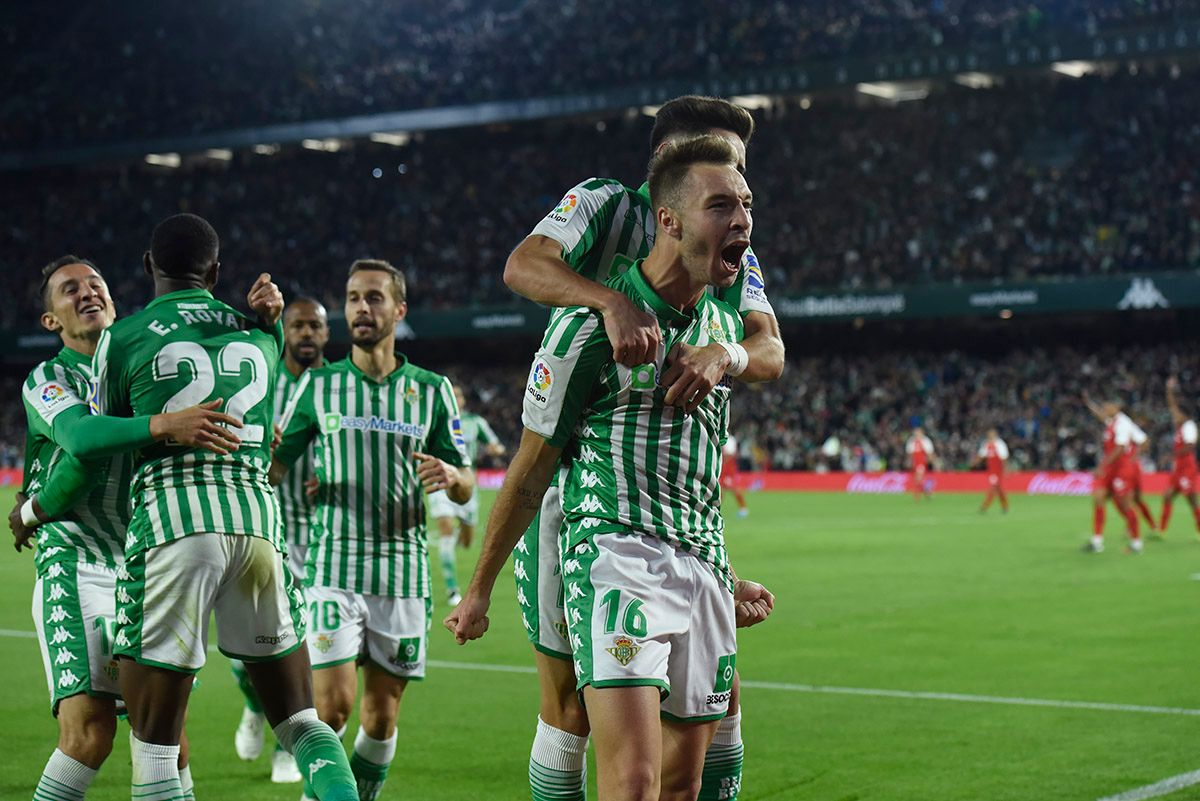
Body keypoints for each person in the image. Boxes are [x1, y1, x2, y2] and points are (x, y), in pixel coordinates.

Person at [449, 135, 774, 801]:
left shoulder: (719, 325)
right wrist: (478, 588)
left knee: (683, 786)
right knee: (629, 780)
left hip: (701, 563)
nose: (743, 220)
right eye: (722, 204)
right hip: (615, 558)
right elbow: (530, 469)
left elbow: (762, 363)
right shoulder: (588, 324)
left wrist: (723, 573)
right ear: (668, 218)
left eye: (746, 203)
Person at [90, 213, 359, 801]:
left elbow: (103, 439)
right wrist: (268, 322)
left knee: (155, 747)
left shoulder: (123, 336)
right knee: (302, 723)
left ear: (148, 265)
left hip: (173, 526)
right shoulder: (259, 337)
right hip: (258, 526)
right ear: (215, 272)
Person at [10, 256, 248, 801]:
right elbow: (82, 442)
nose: (87, 292)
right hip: (78, 560)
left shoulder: (145, 361)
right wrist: (164, 424)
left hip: (147, 563)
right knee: (89, 734)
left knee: (167, 740)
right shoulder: (49, 379)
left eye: (95, 283)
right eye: (70, 290)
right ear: (51, 321)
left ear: (114, 300)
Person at [271, 259, 474, 801]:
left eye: (375, 297)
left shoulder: (431, 390)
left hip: (402, 574)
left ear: (399, 310)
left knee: (381, 718)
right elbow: (275, 467)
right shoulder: (317, 386)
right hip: (332, 566)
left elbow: (464, 484)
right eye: (354, 298)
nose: (362, 307)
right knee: (331, 707)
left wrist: (452, 476)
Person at [232, 297, 330, 784]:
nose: (306, 333)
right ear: (285, 330)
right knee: (246, 653)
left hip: (324, 540)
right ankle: (254, 704)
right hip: (263, 530)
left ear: (326, 334)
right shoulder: (260, 378)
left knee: (300, 649)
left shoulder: (339, 386)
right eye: (298, 325)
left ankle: (286, 747)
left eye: (315, 325)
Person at [430, 384, 506, 607]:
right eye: (450, 396)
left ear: (463, 400)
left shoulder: (475, 422)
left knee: (466, 541)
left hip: (467, 482)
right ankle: (452, 590)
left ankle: (457, 536)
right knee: (445, 530)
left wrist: (495, 449)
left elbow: (496, 445)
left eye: (458, 396)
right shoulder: (433, 421)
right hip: (441, 481)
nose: (455, 399)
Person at [1082, 393, 1143, 553]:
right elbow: (1101, 415)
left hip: (1122, 468)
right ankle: (1097, 542)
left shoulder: (1123, 423)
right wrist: (1089, 403)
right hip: (1111, 468)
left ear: (1116, 407)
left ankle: (1136, 542)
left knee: (1126, 504)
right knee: (1098, 498)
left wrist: (1102, 466)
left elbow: (1120, 448)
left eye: (1107, 405)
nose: (1105, 408)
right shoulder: (1112, 420)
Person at [1159, 376, 1200, 534]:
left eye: (1178, 414)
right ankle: (1161, 530)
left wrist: (1171, 455)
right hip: (1179, 468)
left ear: (1185, 415)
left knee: (1192, 500)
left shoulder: (1189, 426)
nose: (1175, 416)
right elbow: (1172, 406)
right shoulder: (1181, 425)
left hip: (1187, 467)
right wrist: (1169, 389)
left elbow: (1190, 446)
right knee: (1168, 496)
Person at [972, 428, 1010, 514]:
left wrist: (1006, 469)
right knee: (998, 488)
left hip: (998, 470)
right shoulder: (986, 444)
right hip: (991, 470)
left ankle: (984, 506)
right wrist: (974, 463)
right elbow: (981, 455)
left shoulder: (1000, 444)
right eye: (989, 434)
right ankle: (1005, 506)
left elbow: (1004, 458)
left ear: (995, 435)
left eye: (992, 434)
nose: (990, 436)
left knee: (994, 487)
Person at [721, 432, 749, 518]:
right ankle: (715, 509)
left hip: (729, 469)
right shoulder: (719, 437)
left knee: (734, 489)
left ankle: (743, 509)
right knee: (720, 491)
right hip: (722, 468)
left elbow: (730, 455)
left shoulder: (730, 439)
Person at [905, 426, 935, 501]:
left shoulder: (926, 441)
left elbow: (930, 453)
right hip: (915, 462)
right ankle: (926, 491)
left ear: (922, 433)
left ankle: (917, 494)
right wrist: (909, 461)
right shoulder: (911, 441)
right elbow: (909, 453)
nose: (916, 434)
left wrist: (929, 461)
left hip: (922, 462)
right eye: (915, 432)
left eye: (918, 432)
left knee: (918, 477)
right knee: (918, 478)